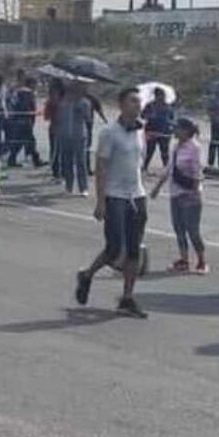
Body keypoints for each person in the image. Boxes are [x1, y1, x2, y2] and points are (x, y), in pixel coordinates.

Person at [75, 87, 149, 319]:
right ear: (121, 105)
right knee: (115, 248)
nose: (137, 106)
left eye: (139, 102)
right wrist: (101, 201)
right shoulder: (109, 132)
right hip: (115, 196)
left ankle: (127, 297)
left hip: (136, 195)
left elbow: (139, 162)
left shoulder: (140, 131)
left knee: (134, 250)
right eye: (132, 101)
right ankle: (87, 274)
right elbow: (101, 167)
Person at [151, 118, 207, 274]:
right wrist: (157, 187)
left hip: (189, 194)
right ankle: (184, 259)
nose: (174, 131)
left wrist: (195, 192)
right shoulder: (176, 146)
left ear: (186, 130)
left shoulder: (195, 148)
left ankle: (202, 261)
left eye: (177, 128)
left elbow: (198, 171)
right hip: (175, 193)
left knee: (193, 230)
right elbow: (169, 168)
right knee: (179, 228)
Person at [56, 84, 93, 196]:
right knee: (67, 162)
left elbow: (88, 118)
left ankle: (83, 188)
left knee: (81, 162)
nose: (72, 93)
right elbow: (59, 117)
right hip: (65, 135)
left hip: (79, 136)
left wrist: (80, 109)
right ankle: (69, 186)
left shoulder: (84, 102)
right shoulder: (63, 102)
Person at [5, 77, 44, 168]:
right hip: (25, 120)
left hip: (18, 120)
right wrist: (31, 117)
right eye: (35, 84)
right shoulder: (28, 93)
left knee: (21, 141)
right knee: (30, 141)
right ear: (31, 84)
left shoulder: (18, 92)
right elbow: (28, 108)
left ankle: (13, 159)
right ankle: (36, 160)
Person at [141, 88, 174, 174]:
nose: (162, 97)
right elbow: (142, 116)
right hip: (151, 131)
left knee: (164, 151)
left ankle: (166, 169)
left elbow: (172, 119)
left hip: (164, 132)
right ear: (155, 96)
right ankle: (144, 167)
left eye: (163, 95)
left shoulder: (168, 107)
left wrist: (171, 128)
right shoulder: (150, 106)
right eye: (160, 95)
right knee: (150, 150)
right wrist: (150, 116)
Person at [45, 78, 66, 181]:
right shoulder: (51, 103)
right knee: (55, 150)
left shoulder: (64, 102)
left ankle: (61, 172)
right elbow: (46, 116)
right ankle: (56, 172)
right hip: (54, 128)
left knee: (61, 151)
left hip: (62, 128)